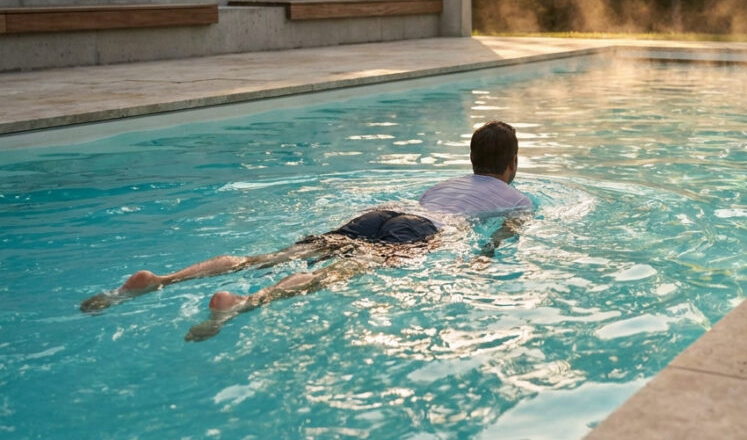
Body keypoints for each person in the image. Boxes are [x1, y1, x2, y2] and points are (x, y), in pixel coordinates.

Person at [80, 121, 533, 341]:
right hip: (423, 229)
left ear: (472, 160)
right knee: (339, 272)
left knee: (273, 256)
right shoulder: (516, 197)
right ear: (511, 165)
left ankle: (161, 280)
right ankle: (244, 303)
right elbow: (501, 235)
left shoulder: (444, 184)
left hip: (386, 211)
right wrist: (484, 257)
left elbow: (424, 207)